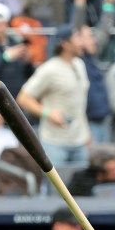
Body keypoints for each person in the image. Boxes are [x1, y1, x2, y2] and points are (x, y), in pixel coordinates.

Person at [16, 26, 90, 166]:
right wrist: (47, 113)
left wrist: (86, 133)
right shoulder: (49, 69)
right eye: (78, 38)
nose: (82, 42)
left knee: (80, 187)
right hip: (55, 143)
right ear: (65, 44)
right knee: (54, 187)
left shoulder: (80, 65)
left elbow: (80, 103)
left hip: (80, 141)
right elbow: (23, 98)